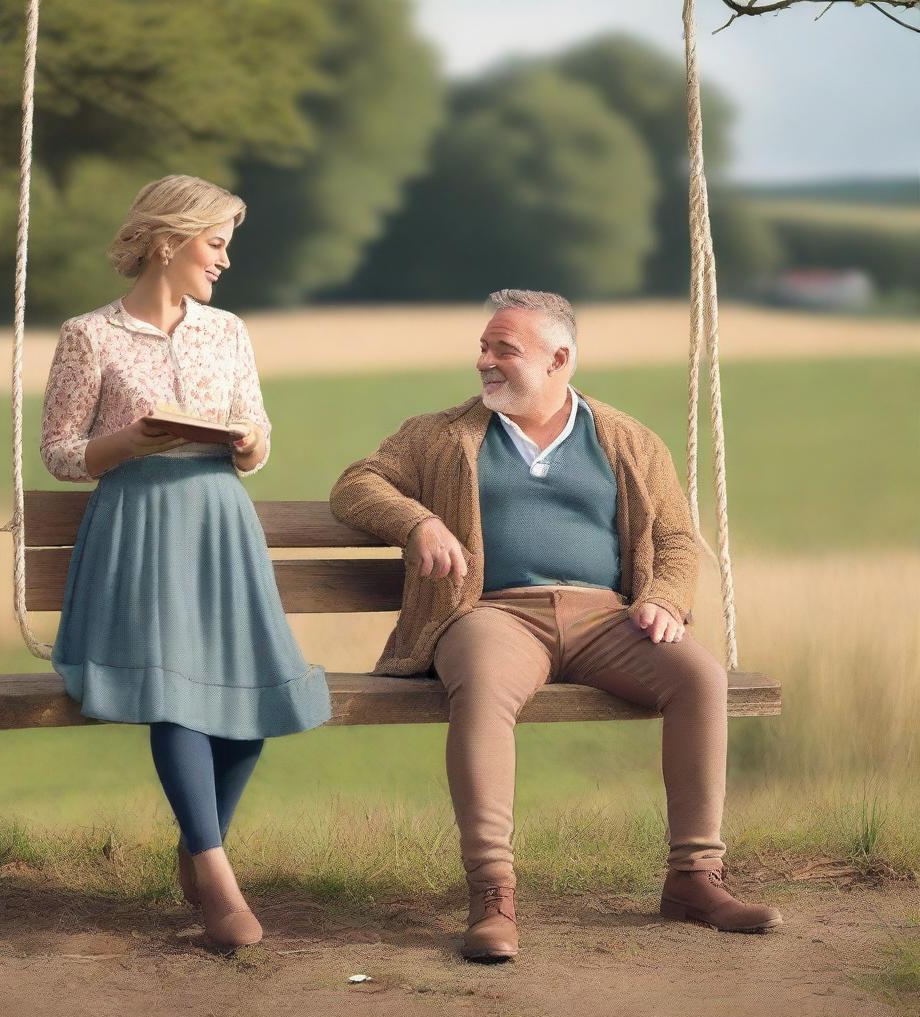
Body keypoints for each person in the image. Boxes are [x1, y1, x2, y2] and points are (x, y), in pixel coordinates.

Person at [329, 288, 781, 961]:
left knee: (701, 678)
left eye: (502, 349)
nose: (483, 360)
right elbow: (355, 485)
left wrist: (662, 597)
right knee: (480, 688)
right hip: (491, 614)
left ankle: (693, 878)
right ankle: (492, 892)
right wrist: (417, 520)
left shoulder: (625, 438)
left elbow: (680, 540)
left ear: (558, 358)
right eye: (483, 346)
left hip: (607, 619)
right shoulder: (441, 435)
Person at [40, 174, 331, 950]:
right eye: (216, 243)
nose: (225, 261)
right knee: (177, 696)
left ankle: (196, 854)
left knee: (254, 702)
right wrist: (130, 442)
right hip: (137, 527)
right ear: (168, 242)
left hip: (219, 525)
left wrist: (248, 442)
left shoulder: (228, 331)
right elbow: (62, 453)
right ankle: (217, 873)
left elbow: (260, 433)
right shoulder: (88, 336)